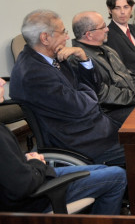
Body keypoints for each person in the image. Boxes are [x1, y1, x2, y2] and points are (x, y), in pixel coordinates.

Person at [9, 10, 126, 165]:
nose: (67, 37)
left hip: (97, 129)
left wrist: (83, 58)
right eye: (63, 32)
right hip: (82, 142)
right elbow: (81, 106)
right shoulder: (33, 73)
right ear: (45, 38)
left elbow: (92, 88)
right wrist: (87, 91)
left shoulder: (54, 56)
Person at [0, 76, 127, 214]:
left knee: (103, 169)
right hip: (36, 196)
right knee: (118, 176)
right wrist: (36, 163)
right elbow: (21, 186)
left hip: (32, 174)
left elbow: (9, 167)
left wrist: (27, 159)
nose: (3, 81)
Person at [71, 11, 135, 126]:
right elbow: (103, 94)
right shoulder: (80, 60)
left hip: (131, 101)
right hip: (111, 112)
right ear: (89, 35)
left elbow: (128, 74)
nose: (107, 29)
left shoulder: (107, 50)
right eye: (103, 27)